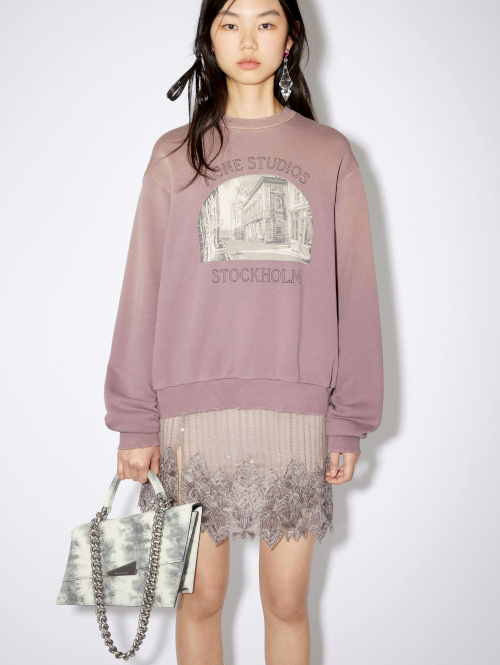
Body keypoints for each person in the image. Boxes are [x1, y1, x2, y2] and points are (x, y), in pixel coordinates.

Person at [103, 0, 384, 663]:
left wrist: (348, 420)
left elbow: (355, 289)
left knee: (286, 602)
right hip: (189, 420)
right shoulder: (174, 154)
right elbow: (142, 289)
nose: (248, 38)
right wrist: (134, 422)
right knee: (197, 600)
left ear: (289, 38)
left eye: (266, 22)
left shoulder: (329, 153)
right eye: (230, 23)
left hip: (295, 416)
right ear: (210, 38)